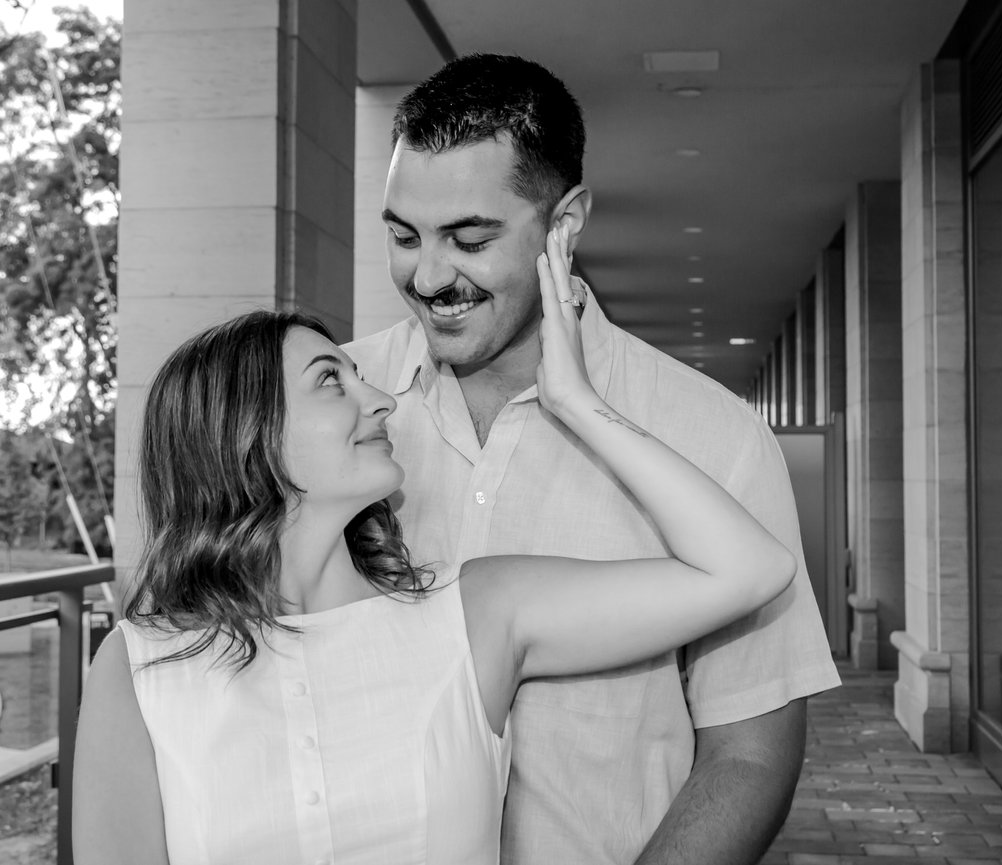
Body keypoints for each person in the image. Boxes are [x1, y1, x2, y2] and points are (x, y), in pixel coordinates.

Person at [71, 228, 797, 865]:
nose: (382, 399)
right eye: (332, 382)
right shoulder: (139, 669)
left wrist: (580, 404)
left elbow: (750, 568)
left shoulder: (475, 614)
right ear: (244, 435)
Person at [347, 53, 841, 865]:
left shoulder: (715, 437)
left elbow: (748, 754)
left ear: (565, 225)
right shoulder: (331, 411)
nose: (429, 275)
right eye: (403, 236)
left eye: (469, 239)